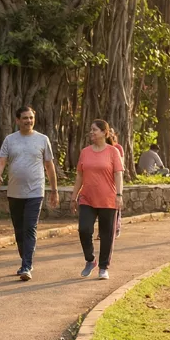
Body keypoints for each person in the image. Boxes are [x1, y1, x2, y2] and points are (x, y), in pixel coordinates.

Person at [0, 106, 59, 281]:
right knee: (19, 230)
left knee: (30, 228)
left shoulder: (42, 139)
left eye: (31, 117)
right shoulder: (10, 140)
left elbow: (49, 166)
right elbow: (1, 161)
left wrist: (54, 190)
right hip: (14, 192)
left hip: (35, 191)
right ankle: (25, 259)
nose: (28, 121)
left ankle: (26, 266)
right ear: (17, 120)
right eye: (25, 118)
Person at [73, 119, 124, 281]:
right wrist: (74, 196)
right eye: (91, 129)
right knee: (84, 230)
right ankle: (90, 260)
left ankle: (103, 267)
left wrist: (119, 195)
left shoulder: (113, 152)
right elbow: (80, 175)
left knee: (106, 234)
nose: (91, 132)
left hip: (108, 199)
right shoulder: (85, 152)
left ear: (104, 133)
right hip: (87, 198)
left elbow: (118, 174)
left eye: (95, 130)